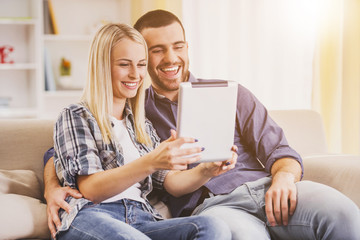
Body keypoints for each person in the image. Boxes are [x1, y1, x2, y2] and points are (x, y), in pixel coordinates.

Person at [44, 10, 360, 240]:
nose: (171, 58)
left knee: (345, 215)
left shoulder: (226, 94)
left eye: (178, 45)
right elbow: (64, 152)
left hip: (263, 187)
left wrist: (284, 180)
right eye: (156, 50)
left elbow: (282, 152)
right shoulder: (135, 108)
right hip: (212, 207)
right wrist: (52, 186)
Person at [50, 22, 235, 240]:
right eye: (124, 64)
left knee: (213, 226)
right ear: (102, 66)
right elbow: (91, 188)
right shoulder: (75, 115)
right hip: (92, 216)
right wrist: (151, 161)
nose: (135, 74)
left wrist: (207, 170)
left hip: (141, 218)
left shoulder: (141, 125)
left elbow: (171, 183)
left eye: (140, 65)